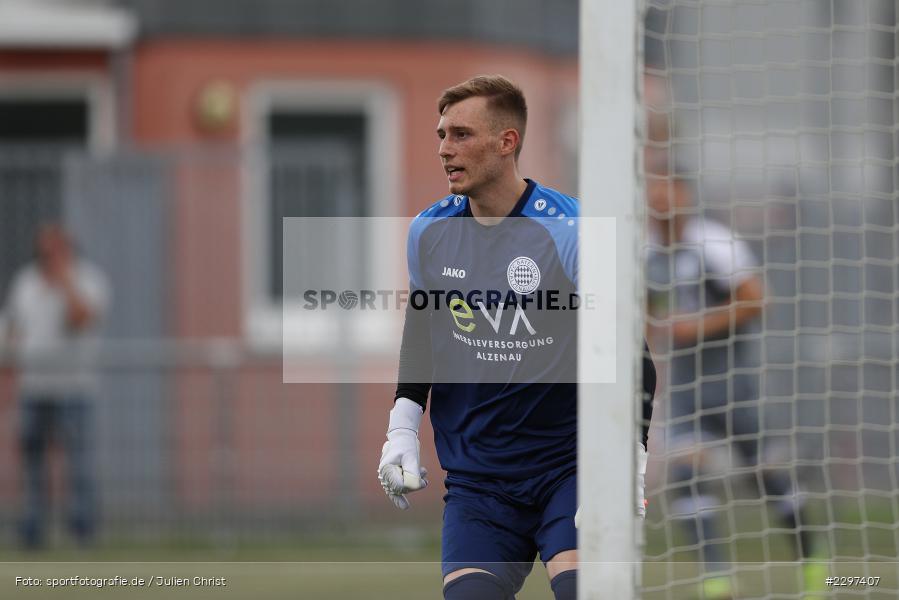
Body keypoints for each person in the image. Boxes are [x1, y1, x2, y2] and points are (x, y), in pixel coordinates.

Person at [376, 75, 656, 600]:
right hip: (478, 480)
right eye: (441, 134)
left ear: (507, 142)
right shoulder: (428, 232)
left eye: (461, 134)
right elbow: (422, 332)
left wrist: (630, 462)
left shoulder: (570, 231)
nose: (443, 149)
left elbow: (632, 354)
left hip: (569, 466)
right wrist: (402, 430)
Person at [645, 171, 817, 598]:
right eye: (653, 189)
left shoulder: (714, 244)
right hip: (686, 391)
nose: (660, 197)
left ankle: (815, 560)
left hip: (733, 385)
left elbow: (757, 298)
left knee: (768, 476)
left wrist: (697, 325)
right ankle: (716, 578)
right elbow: (650, 312)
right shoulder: (645, 254)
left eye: (668, 187)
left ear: (684, 195)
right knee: (686, 474)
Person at [1, 223, 111, 548]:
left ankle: (82, 532)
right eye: (43, 251)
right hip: (33, 388)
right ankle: (33, 531)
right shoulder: (26, 282)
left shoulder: (89, 280)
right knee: (33, 464)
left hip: (74, 388)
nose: (48, 257)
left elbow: (81, 319)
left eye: (55, 250)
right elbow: (14, 331)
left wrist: (64, 282)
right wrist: (8, 377)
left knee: (79, 464)